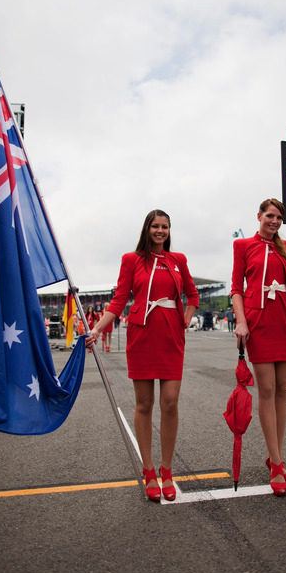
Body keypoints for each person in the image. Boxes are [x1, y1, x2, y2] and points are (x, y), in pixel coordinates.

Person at [85, 209, 199, 502]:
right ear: (147, 229)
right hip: (142, 334)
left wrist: (185, 318)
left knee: (170, 402)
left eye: (165, 227)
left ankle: (167, 470)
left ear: (169, 230)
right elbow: (119, 299)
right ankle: (149, 469)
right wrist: (97, 329)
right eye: (155, 226)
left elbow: (192, 295)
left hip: (172, 336)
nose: (160, 231)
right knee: (145, 404)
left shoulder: (178, 261)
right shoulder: (131, 260)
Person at [231, 198, 286, 496]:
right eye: (270, 216)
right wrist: (241, 322)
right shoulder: (243, 246)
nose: (274, 221)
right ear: (259, 216)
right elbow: (236, 289)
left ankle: (275, 458)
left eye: (279, 217)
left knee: (283, 389)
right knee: (266, 390)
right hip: (259, 324)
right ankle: (277, 463)